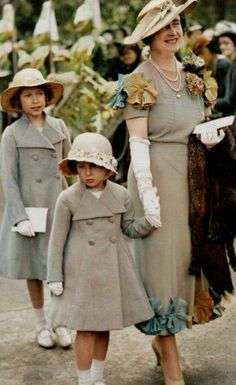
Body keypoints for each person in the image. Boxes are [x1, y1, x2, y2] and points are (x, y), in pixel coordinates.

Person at [110, 1, 234, 384]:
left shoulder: (195, 74)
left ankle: (163, 344)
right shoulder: (138, 80)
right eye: (164, 25)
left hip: (195, 180)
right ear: (148, 34)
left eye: (177, 22)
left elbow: (200, 126)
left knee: (187, 261)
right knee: (161, 270)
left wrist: (213, 137)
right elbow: (139, 145)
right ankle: (172, 368)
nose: (173, 31)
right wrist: (148, 197)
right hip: (157, 178)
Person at [46, 132, 158, 385]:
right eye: (82, 166)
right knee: (85, 329)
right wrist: (54, 275)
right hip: (80, 272)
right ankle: (84, 379)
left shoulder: (120, 195)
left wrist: (149, 222)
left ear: (107, 169)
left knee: (102, 325)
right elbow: (56, 241)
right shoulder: (68, 198)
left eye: (95, 166)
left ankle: (97, 377)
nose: (88, 173)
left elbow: (129, 228)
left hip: (111, 269)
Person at [0, 68, 72, 349]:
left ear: (47, 96)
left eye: (39, 94)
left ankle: (60, 321)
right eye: (28, 95)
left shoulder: (60, 127)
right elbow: (9, 178)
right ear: (18, 101)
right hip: (31, 211)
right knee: (34, 270)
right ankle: (41, 325)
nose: (35, 100)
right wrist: (18, 217)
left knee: (59, 266)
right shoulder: (12, 134)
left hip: (57, 205)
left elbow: (70, 167)